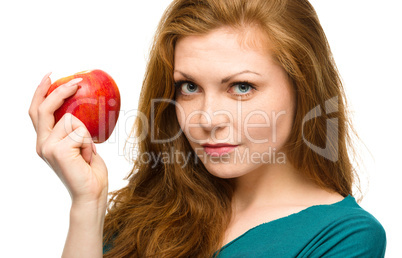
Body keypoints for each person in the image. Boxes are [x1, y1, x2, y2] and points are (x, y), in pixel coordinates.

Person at [29, 0, 386, 257]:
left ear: (302, 88)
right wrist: (87, 204)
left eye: (241, 87)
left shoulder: (345, 238)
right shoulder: (150, 209)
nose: (207, 119)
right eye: (189, 87)